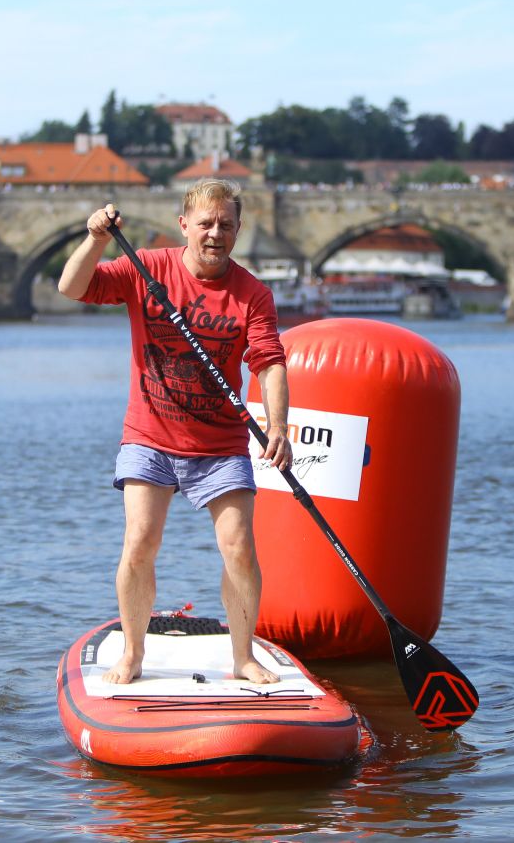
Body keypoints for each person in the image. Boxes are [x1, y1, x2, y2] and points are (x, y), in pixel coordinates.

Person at [58, 178, 293, 685]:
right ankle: (133, 653)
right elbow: (71, 287)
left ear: (238, 230)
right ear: (183, 225)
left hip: (220, 443)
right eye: (205, 224)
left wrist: (278, 425)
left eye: (226, 225)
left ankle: (243, 656)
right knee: (140, 541)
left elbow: (269, 363)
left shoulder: (253, 294)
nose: (215, 234)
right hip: (149, 434)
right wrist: (95, 237)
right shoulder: (149, 268)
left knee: (239, 547)